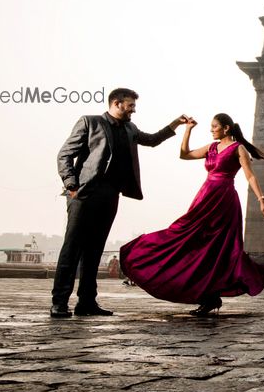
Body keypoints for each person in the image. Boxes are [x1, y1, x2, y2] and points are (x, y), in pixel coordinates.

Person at [52, 87, 189, 318]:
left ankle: (86, 302)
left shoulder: (130, 128)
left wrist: (175, 124)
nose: (133, 110)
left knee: (94, 250)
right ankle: (59, 302)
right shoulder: (90, 122)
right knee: (72, 248)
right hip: (84, 193)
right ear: (117, 103)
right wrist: (71, 185)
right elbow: (64, 154)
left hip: (110, 195)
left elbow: (153, 140)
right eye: (130, 106)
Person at [119, 113, 264, 316]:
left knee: (216, 249)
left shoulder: (238, 149)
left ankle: (210, 297)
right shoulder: (211, 148)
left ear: (226, 128)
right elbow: (185, 154)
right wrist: (187, 130)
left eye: (214, 126)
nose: (211, 129)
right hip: (204, 198)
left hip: (224, 202)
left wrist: (261, 200)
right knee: (186, 238)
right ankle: (206, 295)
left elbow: (250, 175)